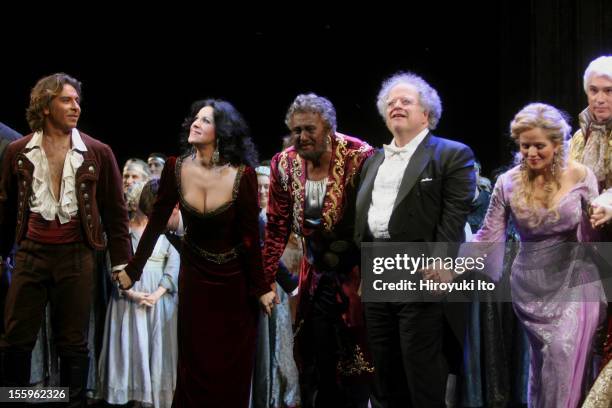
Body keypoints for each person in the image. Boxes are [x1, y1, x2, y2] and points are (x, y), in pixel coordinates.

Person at [115, 99, 275, 408]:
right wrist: (133, 270)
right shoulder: (176, 167)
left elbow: (250, 241)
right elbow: (155, 224)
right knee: (195, 366)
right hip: (196, 277)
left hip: (235, 285)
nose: (196, 123)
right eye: (195, 118)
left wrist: (261, 288)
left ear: (223, 132)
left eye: (207, 120)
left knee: (231, 370)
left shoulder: (243, 176)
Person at [0, 73, 131, 407]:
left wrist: (122, 263)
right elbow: (5, 208)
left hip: (77, 255)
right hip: (31, 253)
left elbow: (116, 214)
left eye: (77, 100)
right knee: (15, 339)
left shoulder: (97, 152)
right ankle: (16, 400)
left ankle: (70, 402)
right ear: (45, 106)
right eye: (66, 100)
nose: (76, 107)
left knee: (72, 342)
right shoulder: (18, 151)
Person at [471, 103, 606, 407]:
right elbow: (487, 238)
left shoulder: (582, 176)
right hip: (530, 286)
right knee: (544, 367)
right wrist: (451, 268)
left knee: (563, 359)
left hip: (576, 279)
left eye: (539, 146)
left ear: (558, 144)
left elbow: (596, 236)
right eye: (524, 146)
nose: (531, 153)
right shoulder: (508, 183)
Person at [354, 72, 475, 407]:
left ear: (426, 114)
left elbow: (454, 215)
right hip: (379, 266)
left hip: (420, 268)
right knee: (384, 369)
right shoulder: (373, 160)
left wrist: (441, 261)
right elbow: (367, 220)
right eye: (390, 102)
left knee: (420, 370)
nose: (396, 106)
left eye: (406, 101)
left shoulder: (452, 154)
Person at [263, 93, 374, 408]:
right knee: (314, 362)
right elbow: (275, 226)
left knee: (358, 366)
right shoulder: (284, 163)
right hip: (314, 276)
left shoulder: (360, 156)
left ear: (330, 129)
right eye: (296, 130)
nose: (302, 137)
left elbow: (373, 224)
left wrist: (370, 274)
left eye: (309, 129)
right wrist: (266, 278)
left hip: (356, 275)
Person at [97, 179, 179, 408]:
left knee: (155, 349)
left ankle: (151, 398)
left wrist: (159, 292)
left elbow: (174, 263)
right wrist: (131, 293)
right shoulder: (124, 232)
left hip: (158, 301)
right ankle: (131, 396)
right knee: (132, 348)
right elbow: (113, 264)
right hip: (128, 301)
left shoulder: (168, 233)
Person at [251, 164, 301, 408]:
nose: (261, 191)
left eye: (265, 187)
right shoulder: (249, 219)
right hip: (256, 289)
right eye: (257, 187)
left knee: (280, 343)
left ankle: (278, 395)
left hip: (279, 289)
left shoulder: (280, 218)